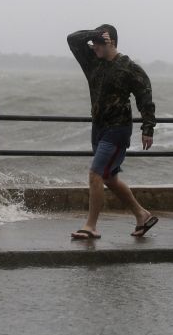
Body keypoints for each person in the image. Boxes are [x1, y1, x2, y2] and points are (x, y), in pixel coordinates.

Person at [66, 24, 158, 239]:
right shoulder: (92, 62)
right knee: (110, 178)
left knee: (96, 174)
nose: (94, 47)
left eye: (99, 43)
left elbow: (146, 99)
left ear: (112, 43)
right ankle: (142, 215)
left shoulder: (128, 68)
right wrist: (94, 35)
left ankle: (90, 226)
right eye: (93, 43)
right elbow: (72, 39)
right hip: (98, 128)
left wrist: (148, 128)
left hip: (118, 130)